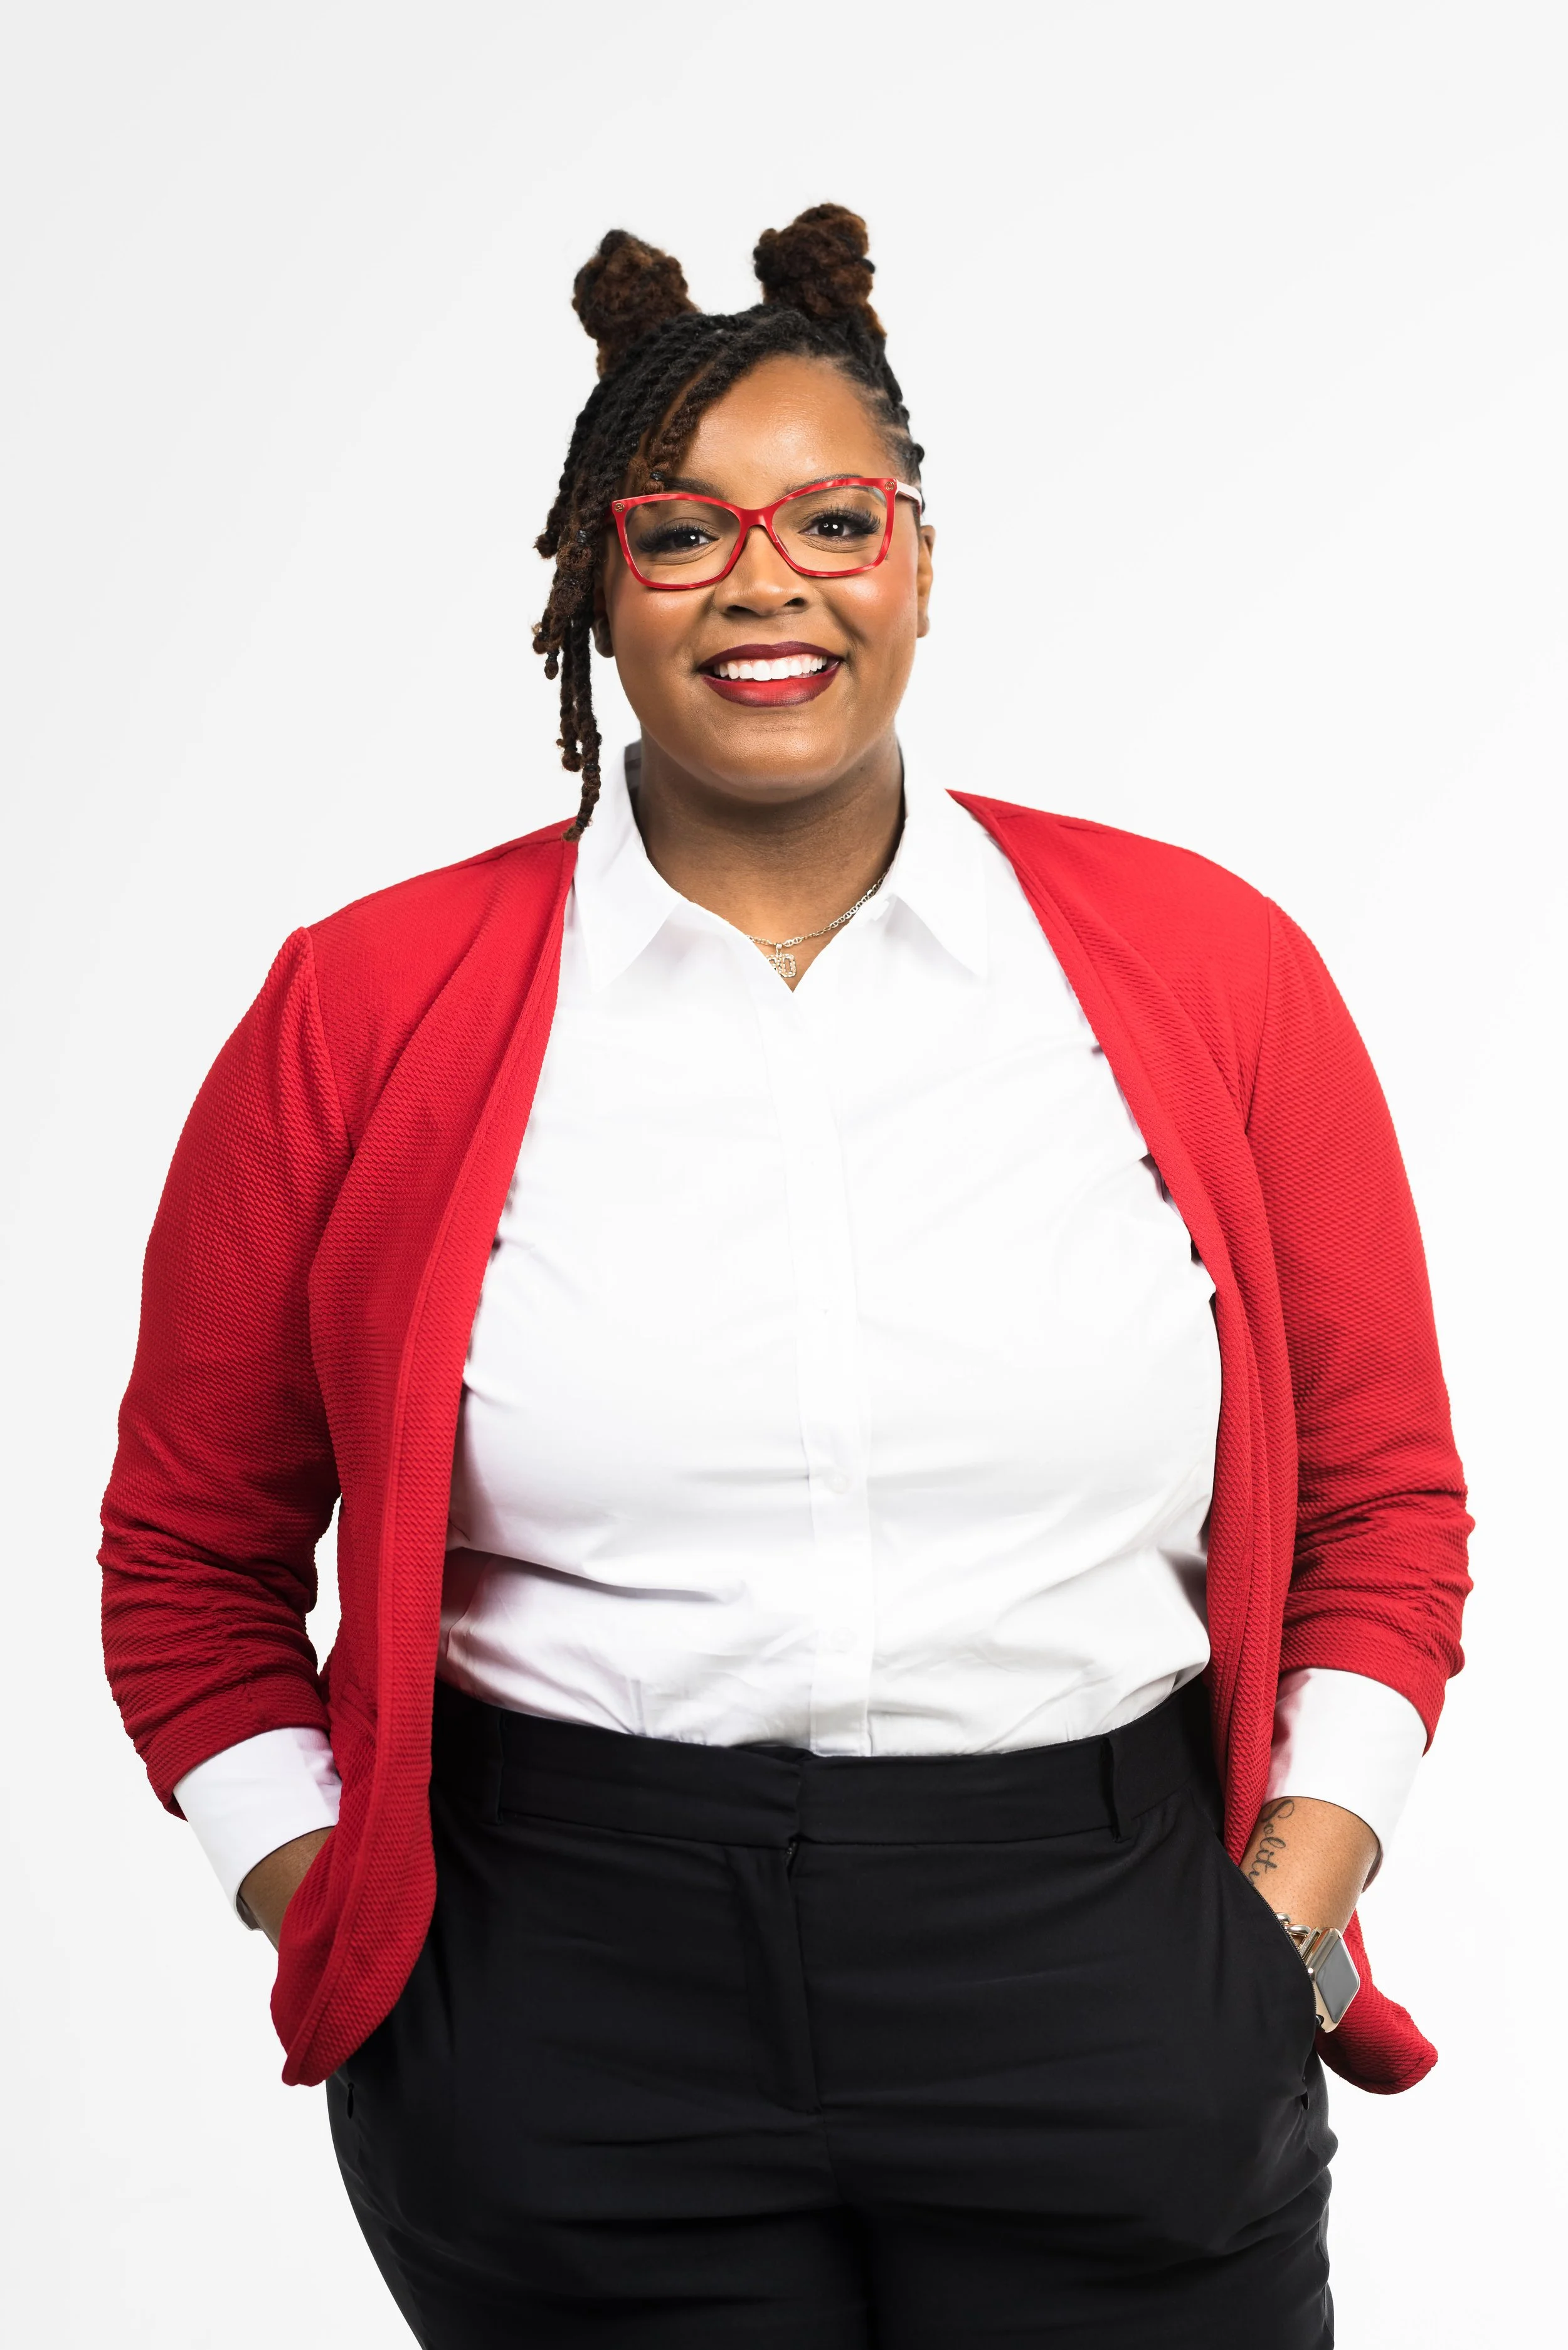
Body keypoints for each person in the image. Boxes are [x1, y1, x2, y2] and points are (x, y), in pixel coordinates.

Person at [101, 203, 1471, 2347]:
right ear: (593, 584)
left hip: (1100, 1951)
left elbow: (1391, 1501)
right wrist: (337, 1913)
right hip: (564, 1997)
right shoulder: (362, 1006)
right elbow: (190, 1550)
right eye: (681, 530)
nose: (767, 582)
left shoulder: (1205, 972)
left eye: (838, 519)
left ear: (919, 564)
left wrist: (1279, 1899)